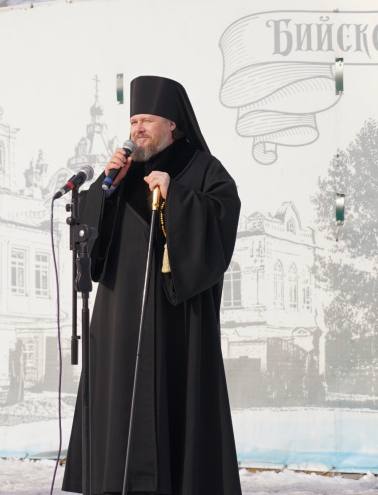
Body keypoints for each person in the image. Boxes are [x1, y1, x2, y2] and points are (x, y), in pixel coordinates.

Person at [62, 76, 242, 495]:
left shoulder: (203, 168)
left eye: (147, 120)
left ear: (172, 125)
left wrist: (176, 195)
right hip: (118, 315)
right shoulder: (120, 174)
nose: (137, 129)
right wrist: (103, 192)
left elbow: (221, 218)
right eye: (134, 121)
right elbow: (89, 244)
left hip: (177, 319)